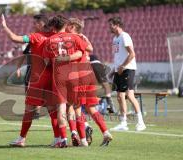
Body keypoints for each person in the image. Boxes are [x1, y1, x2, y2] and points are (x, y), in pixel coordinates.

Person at [2, 14, 60, 147]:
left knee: (29, 109)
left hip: (38, 79)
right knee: (52, 110)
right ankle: (58, 138)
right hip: (52, 78)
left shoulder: (35, 36)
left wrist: (5, 27)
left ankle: (21, 138)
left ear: (41, 23)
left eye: (35, 23)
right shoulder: (55, 36)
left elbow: (15, 38)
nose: (33, 25)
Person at [59, 17, 113, 147]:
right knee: (91, 108)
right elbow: (90, 48)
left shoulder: (70, 38)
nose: (65, 27)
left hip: (77, 75)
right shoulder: (82, 37)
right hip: (89, 75)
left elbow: (76, 53)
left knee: (73, 107)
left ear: (72, 27)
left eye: (68, 25)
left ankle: (82, 139)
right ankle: (105, 132)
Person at [43, 15, 89, 147]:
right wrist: (68, 58)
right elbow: (82, 52)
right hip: (74, 76)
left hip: (58, 77)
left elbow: (46, 61)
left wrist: (58, 60)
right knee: (76, 108)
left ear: (53, 26)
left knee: (61, 107)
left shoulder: (49, 40)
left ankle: (63, 139)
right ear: (65, 25)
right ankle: (83, 140)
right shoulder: (74, 37)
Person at [108, 17, 146, 131]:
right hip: (119, 70)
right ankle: (123, 123)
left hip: (128, 68)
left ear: (116, 25)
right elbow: (117, 57)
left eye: (111, 25)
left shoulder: (125, 36)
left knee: (129, 95)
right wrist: (113, 71)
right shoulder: (115, 39)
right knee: (120, 97)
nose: (109, 27)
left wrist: (123, 66)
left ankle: (141, 122)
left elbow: (132, 54)